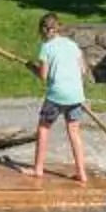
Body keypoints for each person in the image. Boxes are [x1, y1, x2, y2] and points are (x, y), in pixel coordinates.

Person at [8, 13, 92, 184]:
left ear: (42, 30)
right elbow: (83, 70)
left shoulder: (46, 48)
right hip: (76, 94)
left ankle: (38, 169)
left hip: (57, 95)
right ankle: (81, 173)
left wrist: (32, 67)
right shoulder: (72, 44)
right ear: (58, 28)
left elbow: (43, 76)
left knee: (44, 128)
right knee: (74, 132)